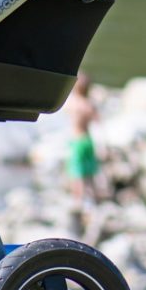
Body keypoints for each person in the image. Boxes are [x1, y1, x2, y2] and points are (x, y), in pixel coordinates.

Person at [66, 73, 102, 216]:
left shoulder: (74, 103)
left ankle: (78, 200)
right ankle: (93, 197)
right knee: (90, 171)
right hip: (88, 140)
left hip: (77, 141)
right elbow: (98, 121)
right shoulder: (89, 105)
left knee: (77, 172)